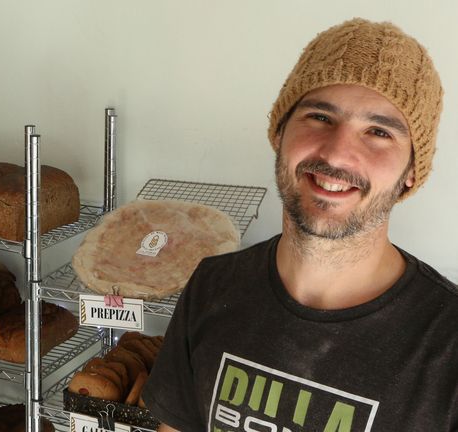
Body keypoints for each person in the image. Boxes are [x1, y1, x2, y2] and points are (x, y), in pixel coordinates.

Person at [142, 18, 458, 431]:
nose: (338, 154)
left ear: (411, 172)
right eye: (320, 118)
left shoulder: (448, 343)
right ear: (280, 133)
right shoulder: (211, 286)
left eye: (379, 132)